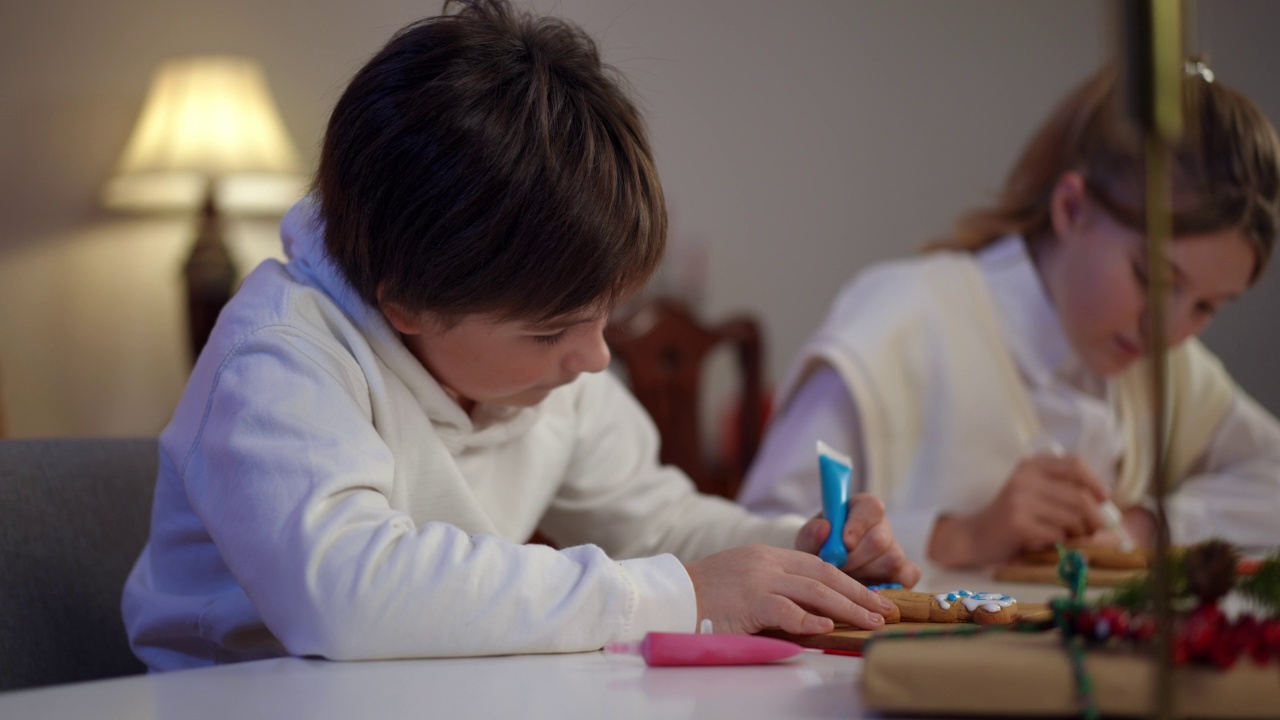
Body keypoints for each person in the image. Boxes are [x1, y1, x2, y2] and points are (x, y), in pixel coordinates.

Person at [122, 0, 918, 672]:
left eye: (605, 316)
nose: (595, 357)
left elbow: (660, 526)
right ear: (406, 303)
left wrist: (800, 558)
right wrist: (682, 593)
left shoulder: (552, 377)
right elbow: (347, 598)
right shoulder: (279, 357)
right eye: (554, 332)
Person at [738, 60, 1280, 569]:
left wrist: (1147, 524)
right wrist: (958, 536)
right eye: (1153, 279)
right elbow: (756, 539)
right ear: (1071, 209)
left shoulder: (1169, 368)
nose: (1169, 333)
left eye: (1207, 306)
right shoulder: (899, 322)